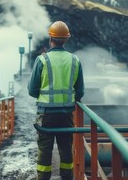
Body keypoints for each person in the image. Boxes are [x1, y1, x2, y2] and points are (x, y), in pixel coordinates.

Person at [28, 20, 85, 180]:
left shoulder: (42, 60)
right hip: (66, 113)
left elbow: (32, 91)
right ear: (66, 39)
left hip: (46, 114)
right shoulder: (75, 60)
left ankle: (43, 178)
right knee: (66, 149)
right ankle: (67, 177)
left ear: (50, 38)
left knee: (45, 150)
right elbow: (80, 92)